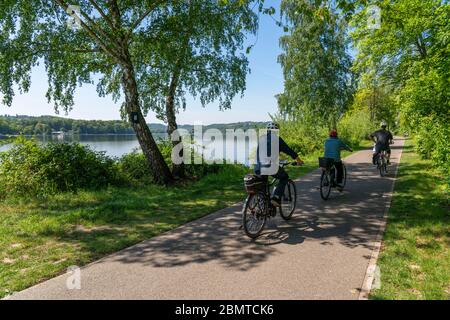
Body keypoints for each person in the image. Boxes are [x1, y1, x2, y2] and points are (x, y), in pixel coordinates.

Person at [255, 122, 304, 207]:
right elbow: (289, 151)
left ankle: (262, 206)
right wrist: (298, 160)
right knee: (284, 177)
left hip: (258, 167)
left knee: (263, 187)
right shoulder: (277, 139)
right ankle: (276, 198)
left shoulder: (262, 138)